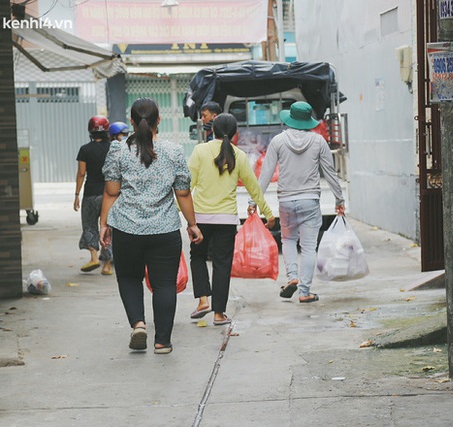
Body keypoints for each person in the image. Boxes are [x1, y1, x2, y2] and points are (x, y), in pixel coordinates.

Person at [100, 98, 203, 354]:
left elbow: (111, 192)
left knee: (129, 278)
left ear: (132, 122)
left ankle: (139, 324)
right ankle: (162, 342)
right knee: (165, 284)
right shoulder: (173, 151)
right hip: (164, 229)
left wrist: (104, 223)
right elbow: (182, 192)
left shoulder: (119, 150)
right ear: (159, 121)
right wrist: (192, 224)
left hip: (127, 228)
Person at [188, 113, 275, 325]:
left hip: (200, 218)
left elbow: (187, 185)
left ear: (212, 131)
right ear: (235, 134)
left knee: (197, 258)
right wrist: (268, 213)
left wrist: (176, 211)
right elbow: (254, 187)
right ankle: (219, 314)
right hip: (226, 220)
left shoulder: (199, 151)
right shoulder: (239, 156)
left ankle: (202, 301)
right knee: (222, 264)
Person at [257, 101, 345, 303]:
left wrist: (255, 200)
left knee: (288, 240)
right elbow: (330, 172)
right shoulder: (319, 141)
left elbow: (266, 173)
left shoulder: (278, 141)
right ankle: (305, 292)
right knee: (307, 247)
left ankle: (292, 277)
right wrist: (339, 198)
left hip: (286, 200)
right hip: (310, 201)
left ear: (290, 119)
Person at [74, 115, 113, 275]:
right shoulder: (112, 148)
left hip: (90, 194)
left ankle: (94, 257)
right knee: (109, 227)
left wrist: (76, 194)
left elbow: (81, 173)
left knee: (89, 225)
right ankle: (107, 265)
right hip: (109, 195)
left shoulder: (85, 149)